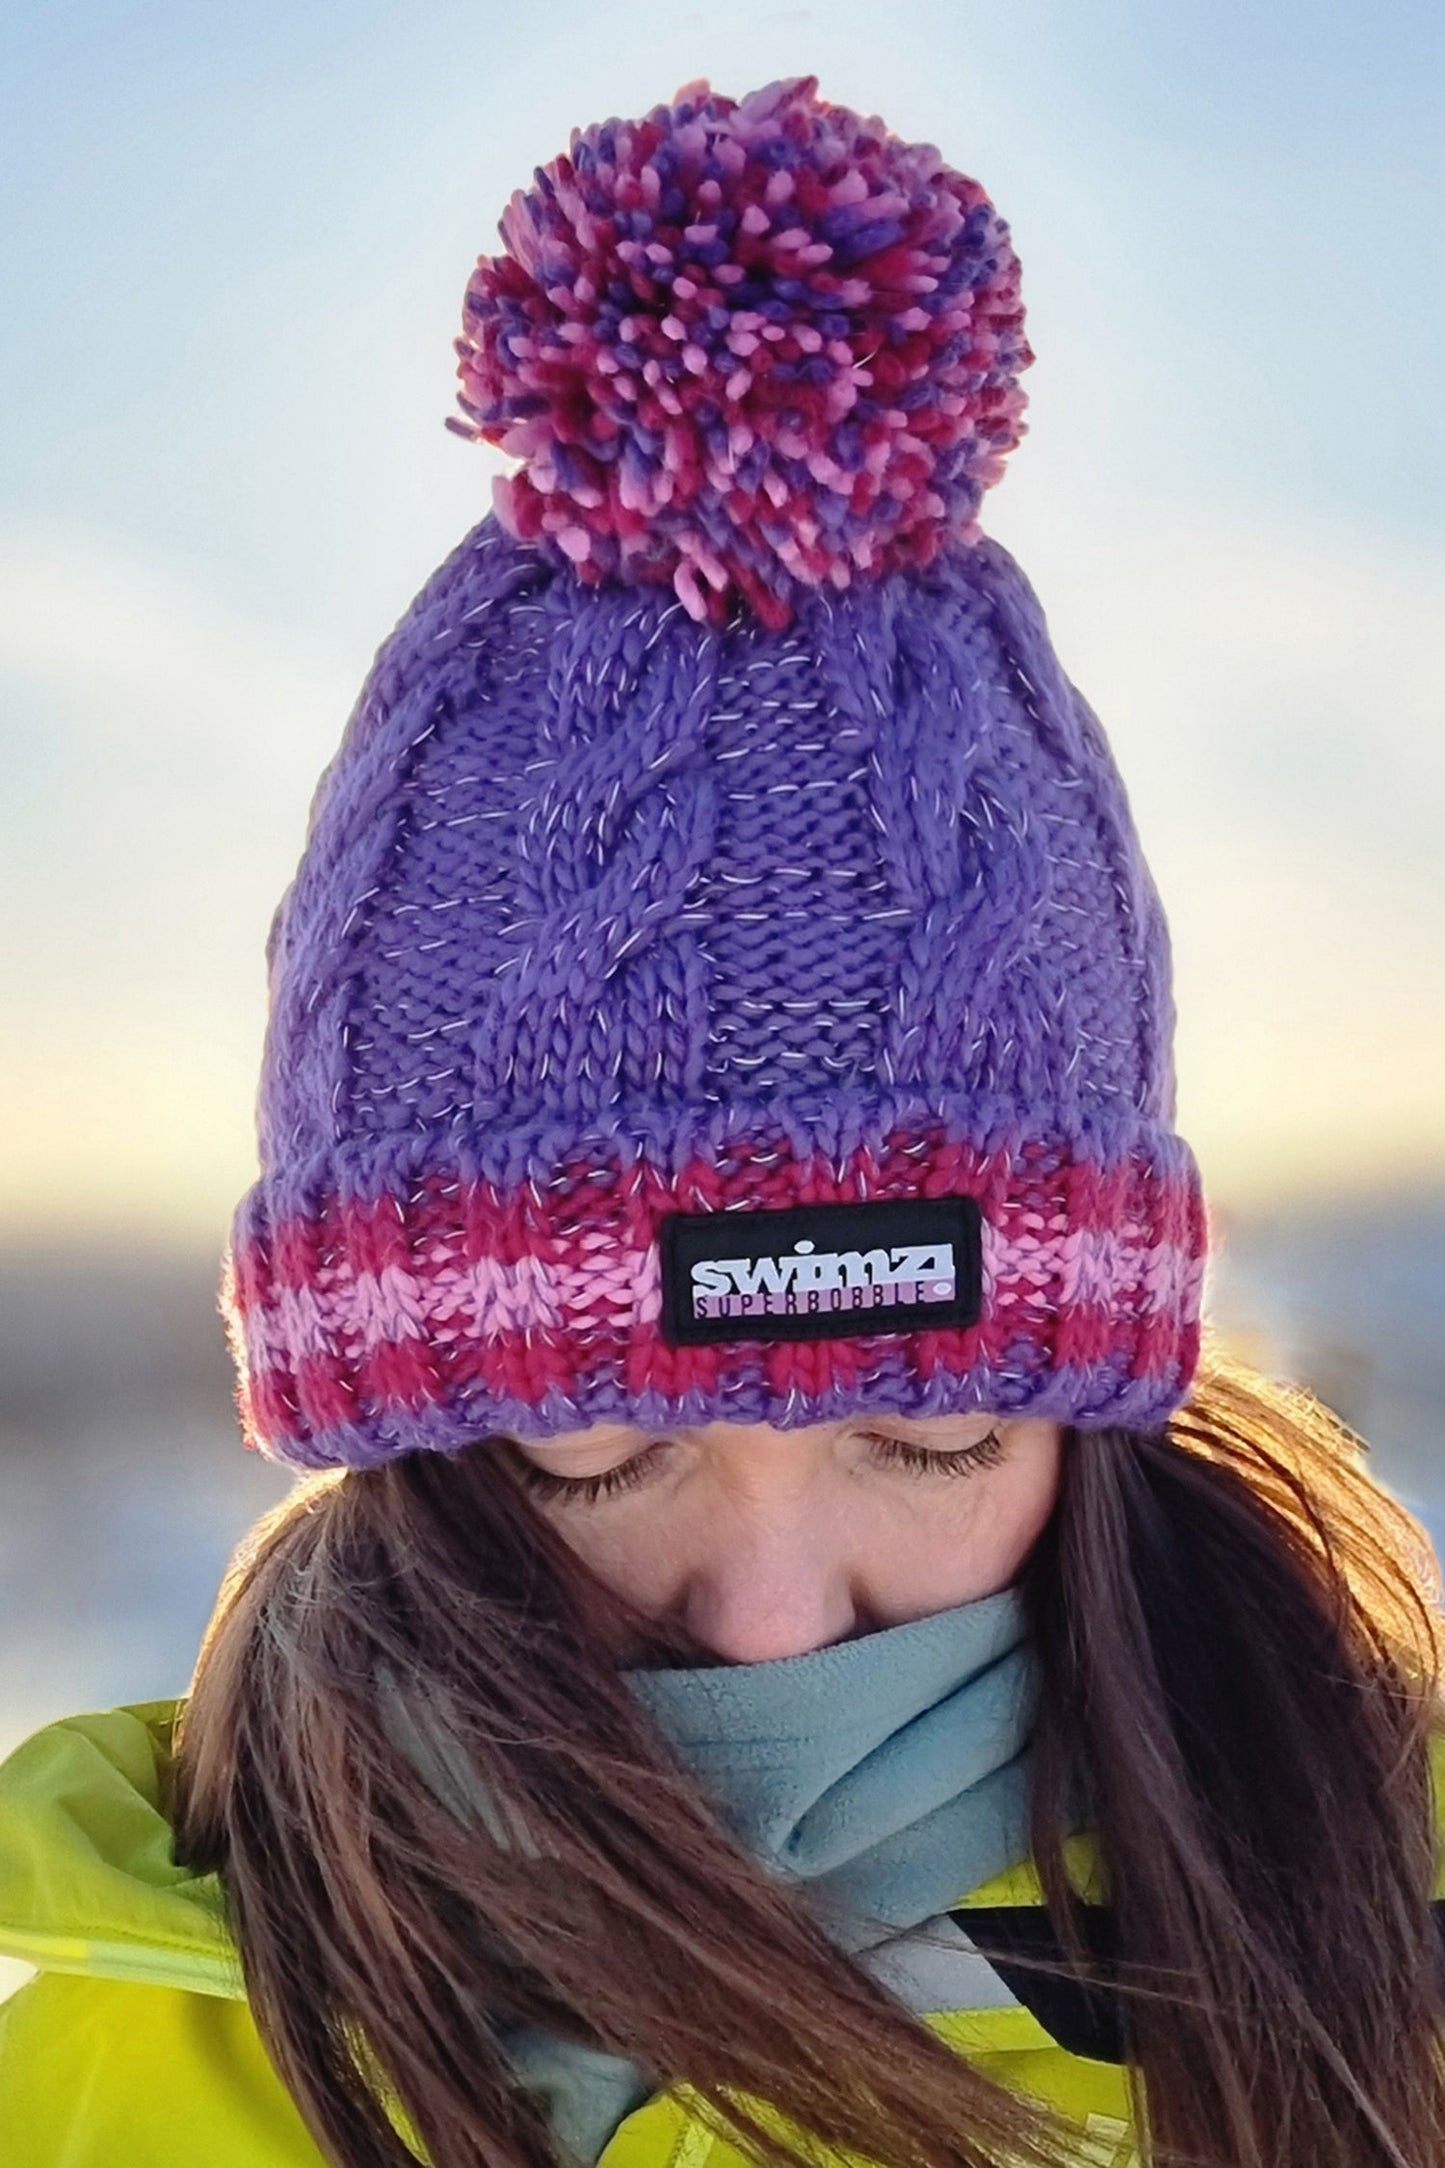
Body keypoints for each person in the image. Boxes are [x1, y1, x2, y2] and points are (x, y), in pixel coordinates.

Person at [1, 70, 1441, 2168]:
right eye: (599, 1441)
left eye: (932, 1431)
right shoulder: (99, 2075)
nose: (766, 1612)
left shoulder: (1375, 1996)